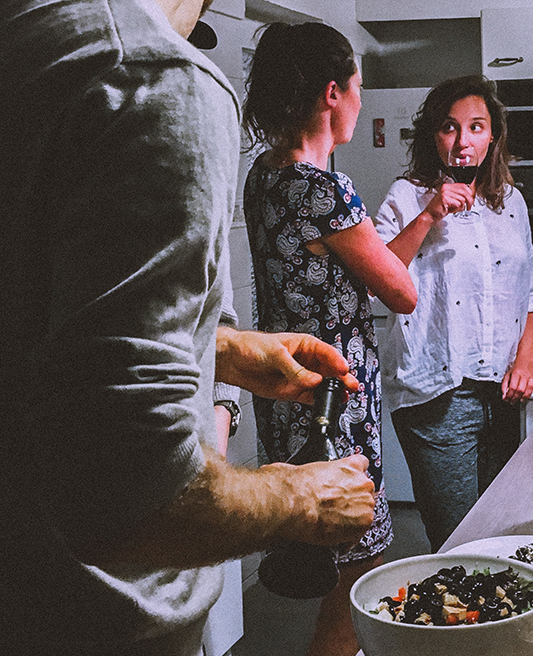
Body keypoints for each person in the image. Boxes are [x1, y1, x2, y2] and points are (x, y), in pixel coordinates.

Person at [0, 1, 378, 654]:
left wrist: (221, 349)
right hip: (90, 620)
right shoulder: (152, 77)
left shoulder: (28, 45)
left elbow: (40, 317)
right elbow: (133, 494)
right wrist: (301, 500)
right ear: (331, 92)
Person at [241, 21, 417, 656]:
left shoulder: (265, 177)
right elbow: (401, 291)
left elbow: (358, 274)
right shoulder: (324, 190)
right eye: (358, 87)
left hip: (287, 389)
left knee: (329, 562)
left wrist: (422, 218)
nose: (363, 100)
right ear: (331, 93)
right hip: (335, 397)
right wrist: (424, 217)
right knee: (356, 571)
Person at [372, 75, 533, 552]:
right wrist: (429, 215)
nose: (463, 141)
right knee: (459, 544)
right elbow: (381, 281)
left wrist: (525, 362)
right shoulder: (406, 196)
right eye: (450, 128)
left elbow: (529, 291)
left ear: (493, 136)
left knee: (504, 536)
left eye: (476, 127)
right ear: (435, 136)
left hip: (503, 397)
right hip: (437, 395)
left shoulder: (511, 201)